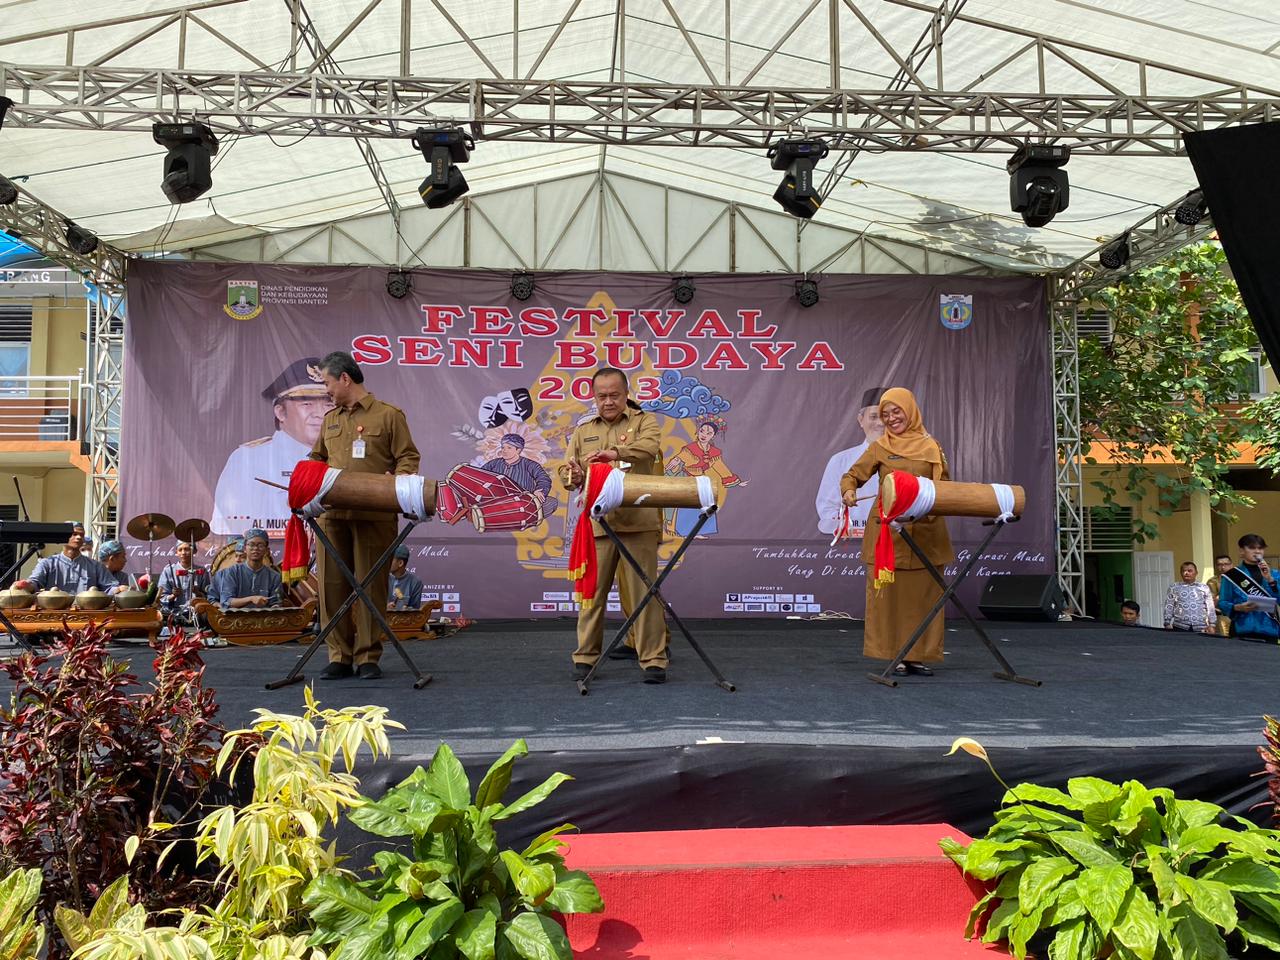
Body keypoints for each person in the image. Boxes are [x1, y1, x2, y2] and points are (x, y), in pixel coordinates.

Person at [309, 351, 420, 680]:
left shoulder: (388, 415)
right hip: (332, 516)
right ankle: (339, 656)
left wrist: (395, 482)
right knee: (331, 586)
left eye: (327, 383)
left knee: (371, 585)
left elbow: (408, 458)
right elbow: (316, 459)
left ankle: (368, 656)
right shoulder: (330, 420)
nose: (326, 390)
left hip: (375, 515)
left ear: (345, 378)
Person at [559, 368, 669, 683]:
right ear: (594, 397)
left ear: (626, 394)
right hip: (599, 524)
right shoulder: (583, 430)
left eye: (614, 395)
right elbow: (567, 471)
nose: (608, 401)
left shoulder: (645, 422)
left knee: (643, 595)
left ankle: (653, 660)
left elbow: (648, 449)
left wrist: (614, 453)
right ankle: (585, 657)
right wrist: (572, 476)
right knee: (591, 594)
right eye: (602, 396)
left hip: (638, 523)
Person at [840, 388, 952, 677]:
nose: (890, 418)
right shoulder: (880, 447)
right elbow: (852, 475)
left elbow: (945, 487)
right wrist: (849, 490)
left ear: (910, 410)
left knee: (923, 599)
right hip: (888, 535)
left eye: (896, 411)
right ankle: (895, 656)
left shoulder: (932, 447)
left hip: (926, 535)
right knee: (889, 600)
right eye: (885, 414)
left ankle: (918, 656)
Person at [212, 357, 335, 534]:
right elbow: (229, 527)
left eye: (328, 404)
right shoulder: (248, 459)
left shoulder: (343, 456)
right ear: (280, 412)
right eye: (307, 404)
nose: (320, 413)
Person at [816, 385, 888, 537]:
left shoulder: (908, 460)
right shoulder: (840, 461)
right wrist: (853, 528)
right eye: (874, 417)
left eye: (885, 416)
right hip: (853, 543)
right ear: (861, 420)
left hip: (897, 541)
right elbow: (827, 508)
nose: (880, 423)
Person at [665, 415, 745, 538]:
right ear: (698, 431)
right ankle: (684, 531)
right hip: (686, 478)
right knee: (686, 505)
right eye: (702, 431)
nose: (704, 435)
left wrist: (736, 481)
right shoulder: (690, 449)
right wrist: (676, 461)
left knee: (705, 503)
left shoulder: (714, 452)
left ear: (713, 436)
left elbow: (721, 468)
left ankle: (698, 531)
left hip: (700, 480)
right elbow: (679, 459)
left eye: (709, 433)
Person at [17, 522, 122, 596]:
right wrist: (26, 585)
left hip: (86, 615)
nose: (79, 537)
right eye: (74, 534)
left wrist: (119, 589)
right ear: (63, 537)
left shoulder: (95, 566)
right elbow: (34, 583)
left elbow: (109, 587)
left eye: (81, 535)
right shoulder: (48, 563)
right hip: (54, 614)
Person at [1218, 534, 1280, 642]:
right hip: (1242, 628)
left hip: (1270, 629)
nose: (1257, 551)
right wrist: (1237, 607)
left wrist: (1270, 579)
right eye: (1252, 548)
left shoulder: (1274, 574)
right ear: (1242, 551)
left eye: (1260, 548)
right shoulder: (1232, 575)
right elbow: (1223, 603)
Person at [216, 528, 283, 609]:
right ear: (245, 548)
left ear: (267, 550)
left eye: (260, 545)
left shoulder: (274, 576)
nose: (255, 548)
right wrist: (251, 599)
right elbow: (226, 602)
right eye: (251, 544)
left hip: (264, 617)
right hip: (236, 616)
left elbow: (276, 603)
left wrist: (275, 607)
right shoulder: (231, 572)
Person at [480, 433, 552, 503]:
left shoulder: (530, 465)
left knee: (552, 502)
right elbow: (479, 475)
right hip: (494, 500)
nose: (504, 450)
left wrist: (539, 491)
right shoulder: (494, 463)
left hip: (522, 502)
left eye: (509, 448)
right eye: (503, 447)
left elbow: (544, 479)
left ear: (518, 450)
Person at [156, 541, 213, 617]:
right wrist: (173, 596)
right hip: (173, 614)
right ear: (176, 552)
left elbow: (208, 597)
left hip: (196, 614)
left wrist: (198, 593)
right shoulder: (168, 571)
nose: (183, 553)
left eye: (187, 549)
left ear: (194, 551)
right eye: (180, 550)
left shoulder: (202, 571)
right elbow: (161, 598)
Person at [1162, 561, 1215, 633]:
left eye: (1190, 571)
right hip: (1180, 626)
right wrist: (1167, 623)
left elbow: (1210, 606)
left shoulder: (1204, 587)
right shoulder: (1174, 587)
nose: (1186, 573)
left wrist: (1212, 624)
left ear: (1196, 573)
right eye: (1184, 571)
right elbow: (1169, 605)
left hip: (1200, 627)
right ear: (1181, 573)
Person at [388, 545, 424, 611]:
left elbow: (415, 611)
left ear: (400, 563)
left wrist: (406, 610)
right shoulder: (382, 579)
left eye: (390, 560)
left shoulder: (416, 583)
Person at [1205, 554, 1234, 637]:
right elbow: (1212, 602)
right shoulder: (1212, 581)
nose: (1223, 567)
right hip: (1222, 616)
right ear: (1216, 566)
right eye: (1220, 565)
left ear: (1231, 565)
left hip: (1238, 615)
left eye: (1226, 564)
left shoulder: (1239, 580)